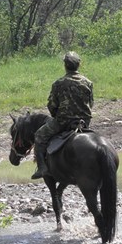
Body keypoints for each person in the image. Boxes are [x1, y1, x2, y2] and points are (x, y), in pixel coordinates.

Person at [31, 51, 94, 179]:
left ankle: (42, 168)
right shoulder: (88, 82)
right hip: (84, 122)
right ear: (79, 65)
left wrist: (55, 115)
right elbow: (90, 103)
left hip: (63, 122)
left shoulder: (58, 83)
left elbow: (52, 105)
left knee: (39, 136)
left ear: (65, 65)